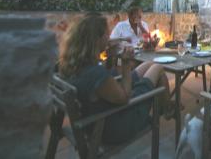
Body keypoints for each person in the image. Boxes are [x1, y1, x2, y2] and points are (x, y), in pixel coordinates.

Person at [58, 14, 173, 144]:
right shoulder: (95, 73)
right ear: (96, 40)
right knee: (157, 67)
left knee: (149, 64)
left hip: (99, 116)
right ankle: (167, 107)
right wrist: (125, 63)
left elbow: (108, 81)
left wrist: (111, 58)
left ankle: (167, 107)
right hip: (115, 125)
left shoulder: (76, 65)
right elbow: (124, 97)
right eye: (106, 35)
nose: (109, 38)